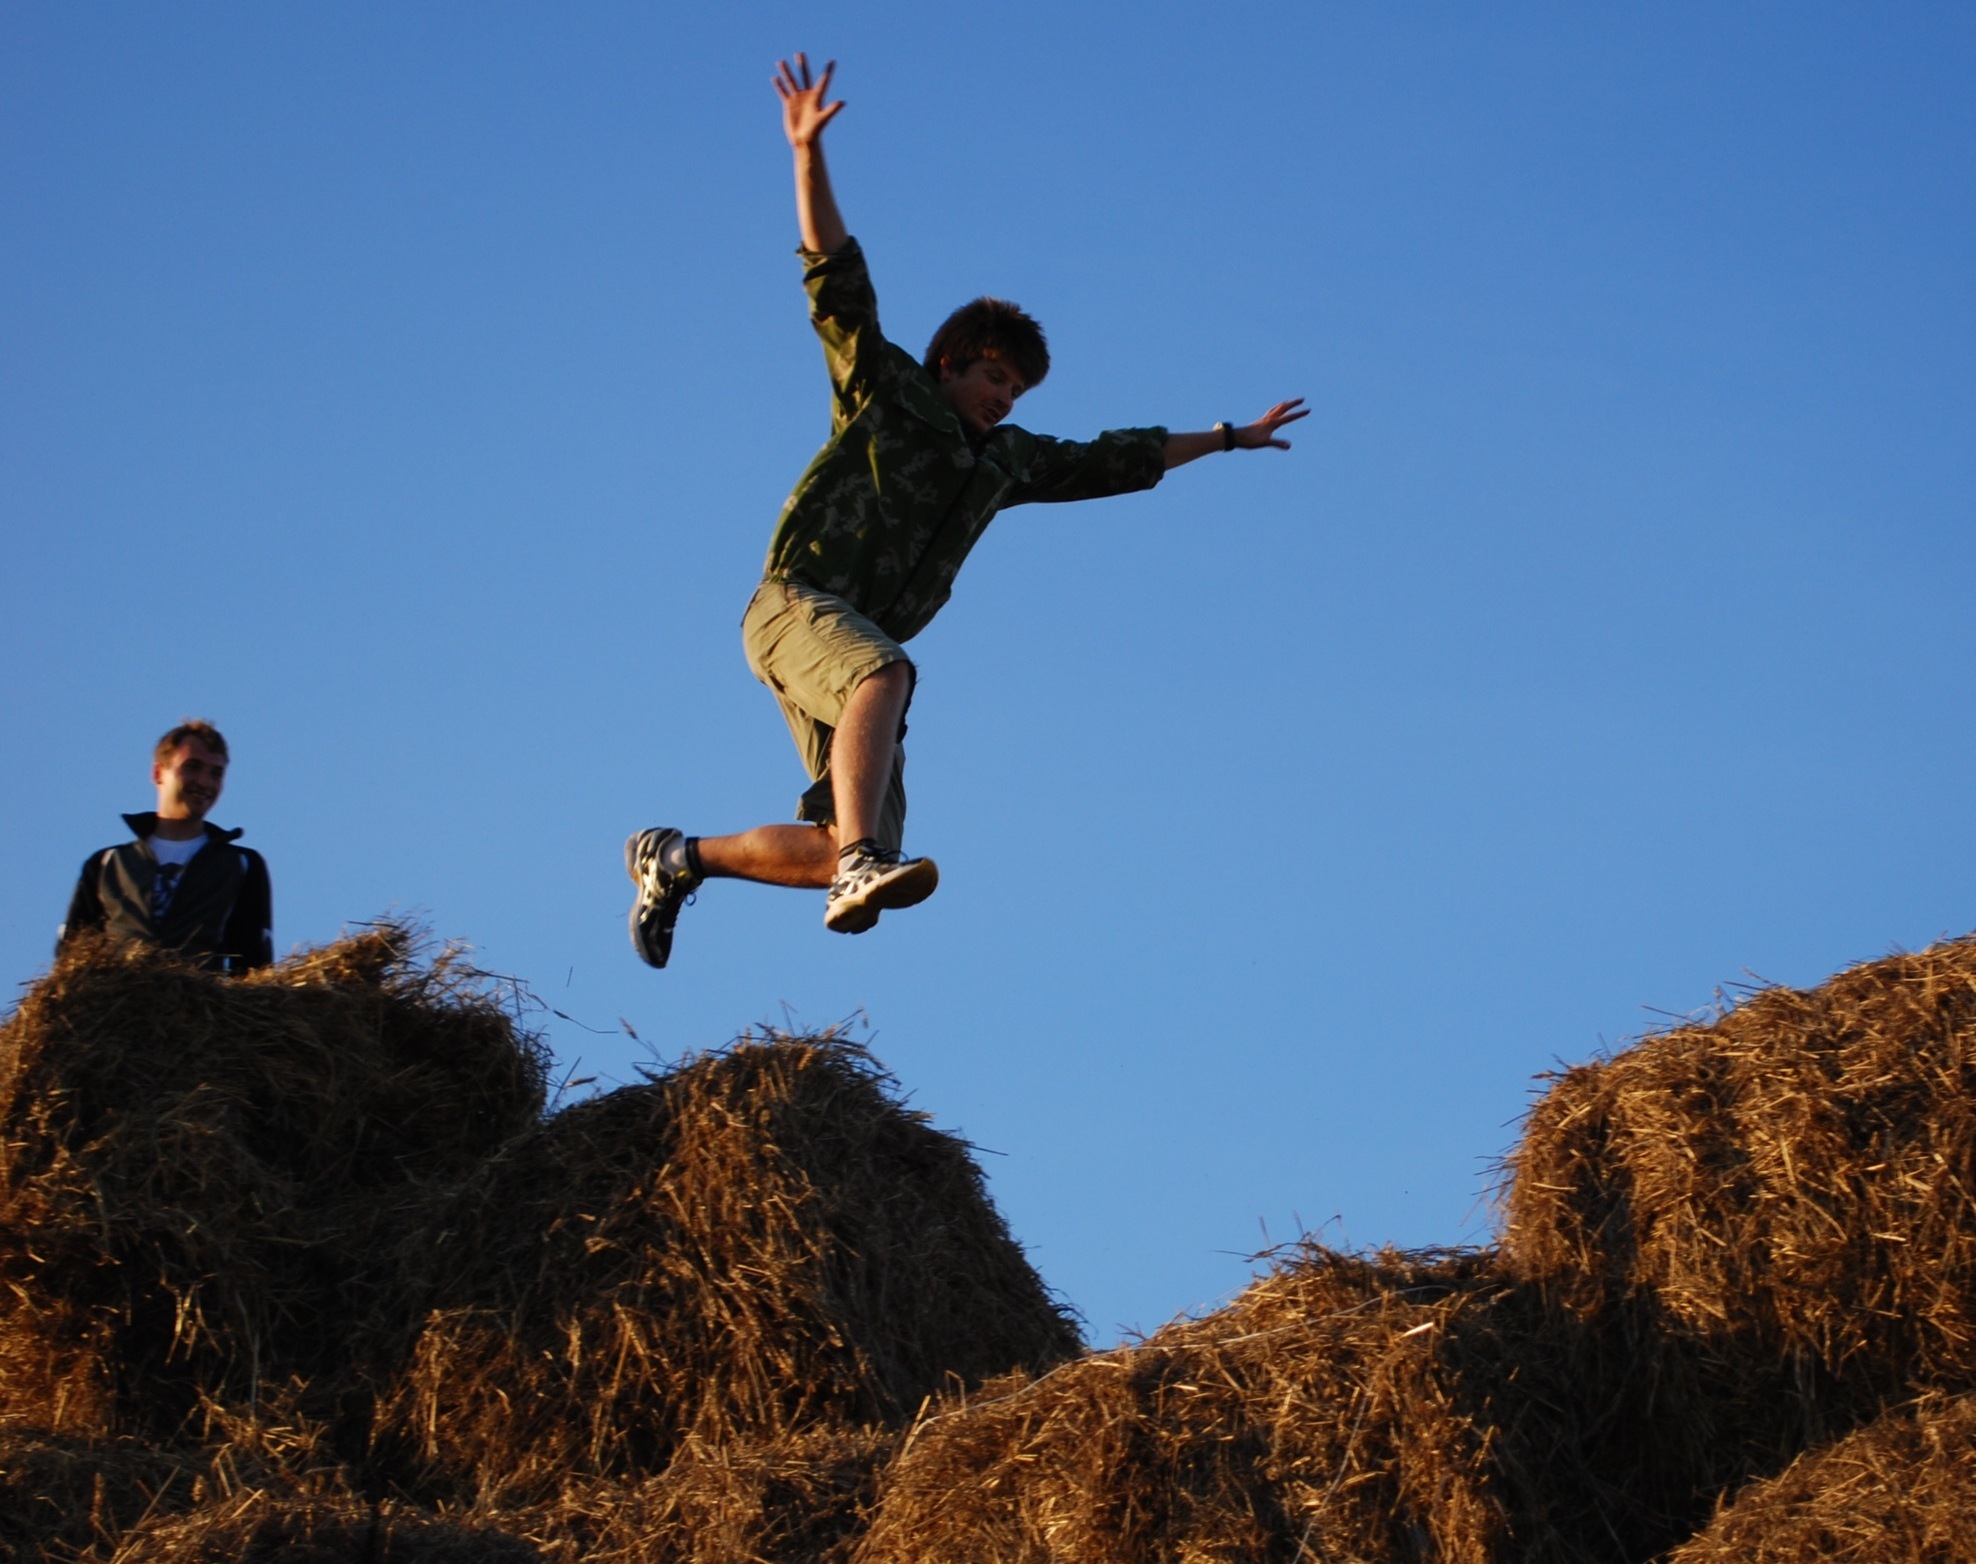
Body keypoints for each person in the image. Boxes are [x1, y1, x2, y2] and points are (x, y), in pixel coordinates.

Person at [626, 55, 1307, 968]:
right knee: (886, 675)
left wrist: (1225, 438)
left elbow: (1116, 457)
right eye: (995, 376)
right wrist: (805, 155)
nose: (1005, 397)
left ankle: (677, 858)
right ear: (950, 363)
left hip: (850, 638)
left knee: (847, 842)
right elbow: (835, 277)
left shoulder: (1005, 462)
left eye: (1018, 389)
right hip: (795, 605)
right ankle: (860, 860)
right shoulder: (884, 389)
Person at [60, 720, 274, 974]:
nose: (204, 782)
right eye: (192, 767)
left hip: (199, 998)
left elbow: (253, 965)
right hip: (120, 998)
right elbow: (71, 961)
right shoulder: (108, 863)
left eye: (216, 773)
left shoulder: (241, 865)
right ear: (158, 773)